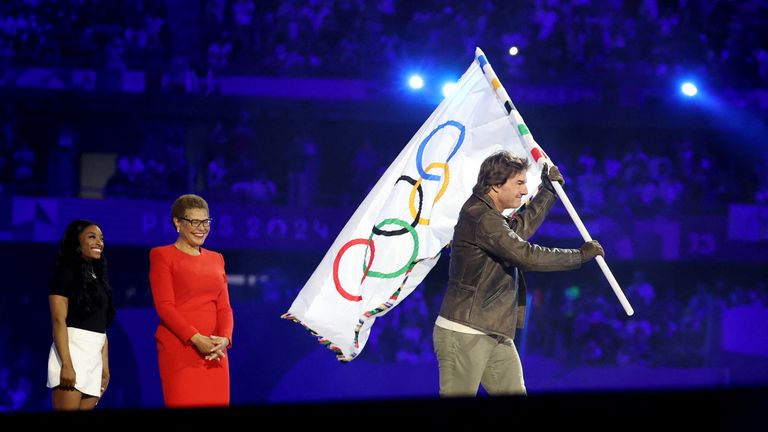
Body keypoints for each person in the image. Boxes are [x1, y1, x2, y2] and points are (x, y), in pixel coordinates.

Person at [433, 151, 604, 397]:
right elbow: (524, 254)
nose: (524, 191)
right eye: (519, 183)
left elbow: (517, 232)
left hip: (493, 331)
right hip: (465, 332)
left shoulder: (489, 217)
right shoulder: (480, 217)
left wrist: (548, 192)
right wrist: (578, 256)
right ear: (494, 184)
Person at [149, 194, 234, 407]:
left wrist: (224, 340)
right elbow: (165, 307)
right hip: (181, 351)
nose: (201, 228)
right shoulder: (162, 255)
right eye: (194, 221)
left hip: (215, 354)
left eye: (206, 222)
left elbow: (224, 307)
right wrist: (197, 339)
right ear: (177, 222)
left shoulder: (216, 258)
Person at [47, 220, 115, 410]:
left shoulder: (99, 279)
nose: (99, 242)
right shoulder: (64, 273)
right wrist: (66, 364)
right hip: (71, 353)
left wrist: (105, 367)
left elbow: (102, 327)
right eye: (91, 237)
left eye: (101, 238)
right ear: (76, 242)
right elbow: (58, 321)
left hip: (94, 358)